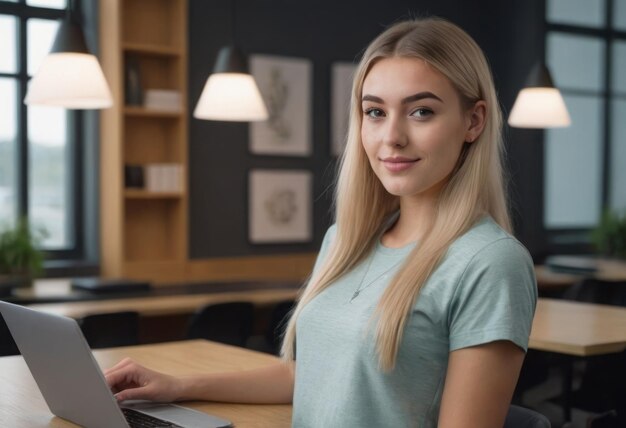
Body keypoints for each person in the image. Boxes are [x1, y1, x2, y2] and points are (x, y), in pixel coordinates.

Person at [105, 17, 537, 427]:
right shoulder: (345, 241)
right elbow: (310, 376)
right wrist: (178, 386)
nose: (392, 137)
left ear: (473, 121)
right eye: (375, 112)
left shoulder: (490, 263)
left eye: (421, 111)